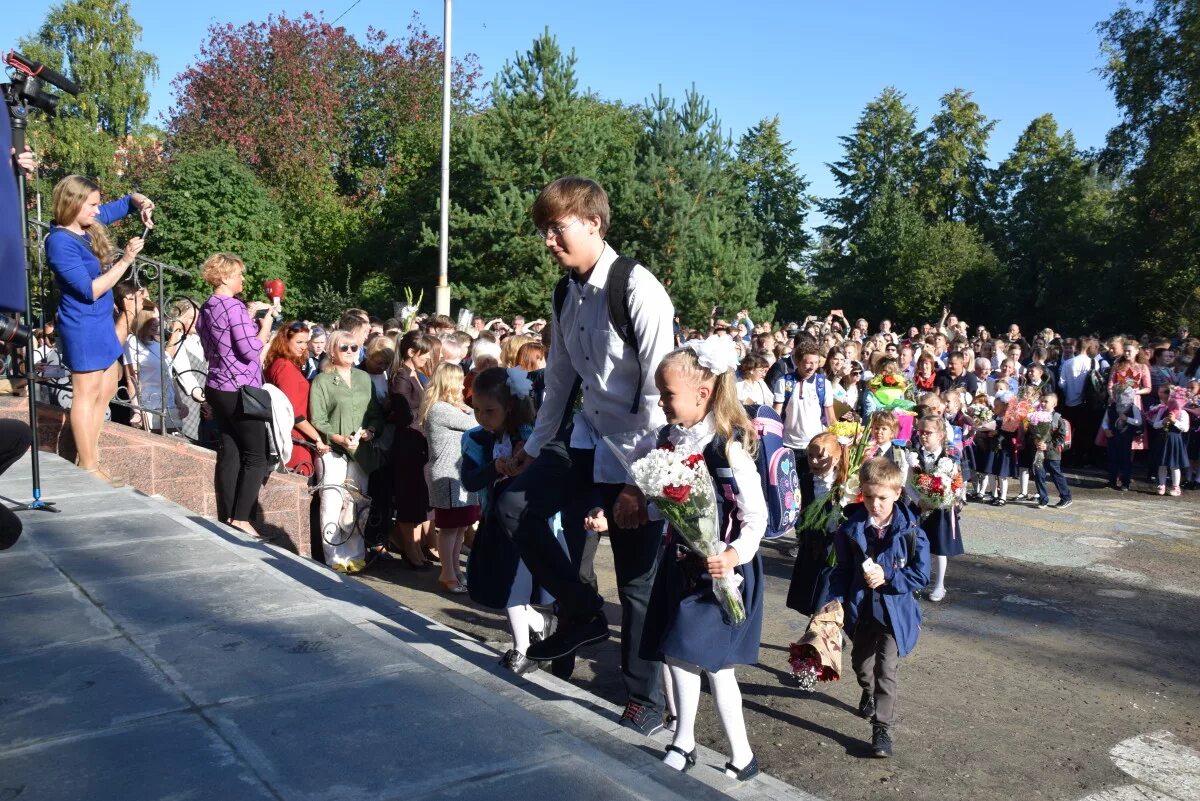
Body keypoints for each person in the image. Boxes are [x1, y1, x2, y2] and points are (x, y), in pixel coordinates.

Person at [499, 176, 676, 736]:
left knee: (637, 579)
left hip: (638, 450)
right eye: (544, 230)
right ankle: (581, 611)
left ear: (594, 224)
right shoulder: (565, 292)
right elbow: (558, 381)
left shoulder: (638, 289)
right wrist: (530, 449)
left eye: (558, 227)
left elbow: (659, 393)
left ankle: (645, 700)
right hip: (584, 438)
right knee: (513, 507)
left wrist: (639, 482)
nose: (548, 240)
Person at [645, 340, 764, 781]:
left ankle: (737, 754)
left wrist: (732, 555)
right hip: (684, 563)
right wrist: (640, 506)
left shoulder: (725, 446)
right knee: (681, 654)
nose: (661, 401)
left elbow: (756, 515)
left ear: (704, 392)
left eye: (668, 393)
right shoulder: (669, 439)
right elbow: (666, 502)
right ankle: (689, 741)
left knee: (713, 665)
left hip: (723, 570)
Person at [44, 176, 153, 484]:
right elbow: (89, 290)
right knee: (86, 392)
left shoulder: (85, 227)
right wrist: (126, 260)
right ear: (73, 203)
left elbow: (124, 203)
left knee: (106, 388)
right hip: (82, 325)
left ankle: (90, 457)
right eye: (91, 204)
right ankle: (88, 466)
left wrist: (142, 203)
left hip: (101, 322)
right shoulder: (60, 242)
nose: (96, 210)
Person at [827, 457, 930, 759]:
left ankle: (881, 727)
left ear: (897, 493)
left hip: (894, 614)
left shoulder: (911, 531)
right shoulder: (850, 529)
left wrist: (889, 576)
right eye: (869, 496)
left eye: (882, 497)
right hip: (861, 611)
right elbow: (841, 570)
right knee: (861, 663)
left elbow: (921, 574)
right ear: (862, 492)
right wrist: (834, 599)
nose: (875, 504)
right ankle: (867, 691)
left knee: (887, 670)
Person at [462, 367, 560, 675]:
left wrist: (522, 467)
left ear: (511, 407)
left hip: (527, 523)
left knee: (515, 586)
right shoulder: (476, 439)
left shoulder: (531, 438)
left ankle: (523, 648)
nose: (481, 416)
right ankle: (533, 626)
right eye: (476, 409)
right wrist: (494, 467)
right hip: (495, 523)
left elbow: (548, 480)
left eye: (490, 410)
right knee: (505, 585)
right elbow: (469, 480)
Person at [196, 252, 275, 538]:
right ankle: (242, 519)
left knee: (230, 450)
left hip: (217, 385)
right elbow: (251, 350)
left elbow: (217, 344)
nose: (243, 279)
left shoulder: (208, 306)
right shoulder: (233, 307)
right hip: (240, 389)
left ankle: (229, 516)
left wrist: (249, 317)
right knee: (257, 455)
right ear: (226, 276)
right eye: (239, 274)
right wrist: (266, 325)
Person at [309, 328, 383, 572]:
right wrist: (338, 438)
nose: (351, 352)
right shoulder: (322, 380)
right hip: (333, 451)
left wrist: (370, 430)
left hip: (361, 452)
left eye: (354, 347)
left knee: (357, 504)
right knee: (331, 501)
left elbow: (375, 414)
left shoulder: (363, 378)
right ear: (332, 350)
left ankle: (355, 554)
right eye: (344, 347)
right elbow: (317, 419)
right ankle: (334, 557)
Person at [420, 362, 479, 592]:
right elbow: (476, 423)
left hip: (462, 474)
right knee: (450, 528)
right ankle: (447, 574)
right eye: (460, 379)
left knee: (461, 527)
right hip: (447, 474)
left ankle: (455, 570)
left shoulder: (456, 407)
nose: (463, 383)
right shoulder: (439, 409)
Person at [388, 330, 434, 567]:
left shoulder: (418, 374)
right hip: (407, 444)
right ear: (411, 352)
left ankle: (415, 546)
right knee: (408, 498)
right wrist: (428, 413)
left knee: (419, 498)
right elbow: (403, 414)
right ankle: (409, 547)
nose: (427, 358)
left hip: (419, 443)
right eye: (423, 354)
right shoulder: (401, 377)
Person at [908, 415, 965, 603]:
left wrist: (943, 501)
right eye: (920, 432)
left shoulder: (948, 457)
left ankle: (939, 584)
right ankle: (916, 582)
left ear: (940, 435)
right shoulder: (915, 455)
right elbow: (908, 483)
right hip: (920, 507)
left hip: (942, 507)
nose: (923, 436)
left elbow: (956, 483)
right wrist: (918, 501)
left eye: (928, 433)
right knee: (916, 545)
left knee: (939, 547)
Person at [265, 321, 331, 476]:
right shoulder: (284, 367)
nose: (303, 346)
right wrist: (316, 438)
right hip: (294, 440)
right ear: (285, 341)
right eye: (299, 342)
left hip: (294, 436)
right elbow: (293, 413)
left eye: (306, 342)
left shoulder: (282, 364)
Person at [774, 342, 834, 467]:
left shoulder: (823, 384)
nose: (812, 367)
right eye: (808, 362)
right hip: (788, 445)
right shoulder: (784, 382)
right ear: (797, 361)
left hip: (815, 446)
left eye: (816, 363)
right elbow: (776, 416)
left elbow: (830, 417)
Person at [1031, 390, 1073, 509]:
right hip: (1038, 451)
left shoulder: (1057, 418)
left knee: (1056, 475)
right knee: (1039, 475)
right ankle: (1043, 498)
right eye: (1042, 401)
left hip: (1052, 452)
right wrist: (1034, 440)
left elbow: (1061, 437)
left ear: (1054, 404)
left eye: (1046, 402)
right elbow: (1031, 432)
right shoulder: (1035, 416)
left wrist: (1047, 445)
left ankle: (1066, 497)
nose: (1043, 404)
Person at [1148, 386, 1189, 496]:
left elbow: (1185, 428)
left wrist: (1174, 421)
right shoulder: (1162, 410)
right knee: (1162, 464)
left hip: (1175, 440)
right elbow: (1155, 425)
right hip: (1163, 439)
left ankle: (1176, 487)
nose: (1161, 396)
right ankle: (1162, 485)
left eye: (1164, 393)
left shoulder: (1183, 412)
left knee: (1174, 465)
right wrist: (1163, 421)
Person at [1102, 388, 1142, 491]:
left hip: (1125, 437)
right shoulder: (1112, 407)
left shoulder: (1133, 408)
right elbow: (1105, 421)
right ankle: (1112, 480)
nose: (1121, 398)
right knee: (1112, 458)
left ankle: (1125, 482)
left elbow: (1139, 421)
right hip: (1113, 436)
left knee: (1125, 460)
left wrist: (1127, 419)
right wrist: (1106, 429)